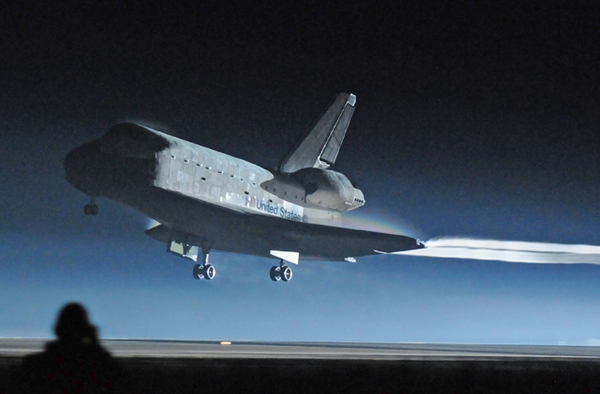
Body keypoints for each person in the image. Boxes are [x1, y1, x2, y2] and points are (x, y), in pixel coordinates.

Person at [8, 302, 131, 393]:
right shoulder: (102, 369)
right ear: (87, 331)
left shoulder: (35, 366)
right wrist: (95, 348)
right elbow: (119, 381)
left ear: (57, 330)